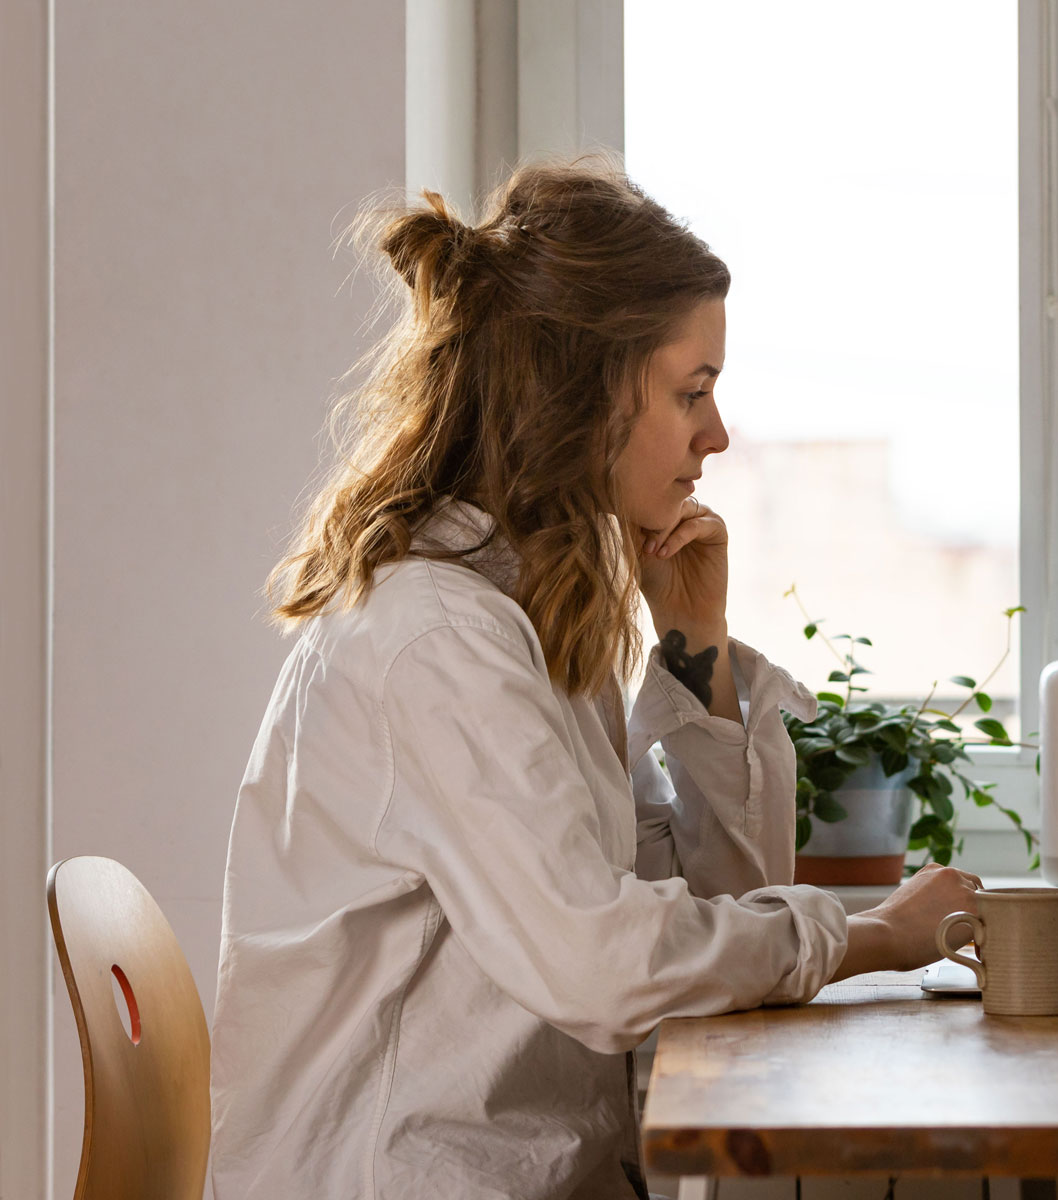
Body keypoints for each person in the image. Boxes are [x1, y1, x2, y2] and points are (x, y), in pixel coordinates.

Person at [208, 158, 983, 1200]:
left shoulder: (530, 614)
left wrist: (694, 645)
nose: (716, 435)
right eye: (692, 391)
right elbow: (606, 968)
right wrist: (871, 933)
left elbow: (713, 904)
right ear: (584, 394)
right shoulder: (439, 641)